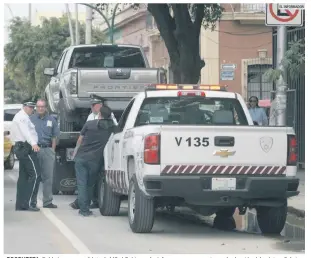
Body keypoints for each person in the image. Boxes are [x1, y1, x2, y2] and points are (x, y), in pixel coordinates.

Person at [70, 105, 116, 216]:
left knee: (82, 184)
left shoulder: (89, 124)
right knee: (90, 185)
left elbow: (80, 140)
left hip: (81, 158)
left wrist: (75, 153)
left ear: (99, 114)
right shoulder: (111, 128)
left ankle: (84, 210)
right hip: (95, 160)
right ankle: (85, 208)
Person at [11, 100, 41, 211]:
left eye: (32, 107)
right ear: (24, 107)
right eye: (29, 107)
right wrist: (33, 143)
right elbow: (26, 132)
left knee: (24, 177)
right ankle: (28, 203)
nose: (31, 109)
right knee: (35, 174)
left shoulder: (21, 116)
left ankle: (20, 204)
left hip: (21, 147)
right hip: (25, 148)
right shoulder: (22, 117)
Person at [30, 99, 60, 208]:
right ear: (36, 108)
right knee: (35, 177)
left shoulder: (52, 120)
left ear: (46, 107)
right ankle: (32, 202)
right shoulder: (31, 119)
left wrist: (52, 150)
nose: (40, 108)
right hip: (35, 150)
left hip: (47, 150)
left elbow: (55, 136)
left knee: (48, 177)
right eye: (38, 106)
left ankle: (47, 202)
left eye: (42, 106)